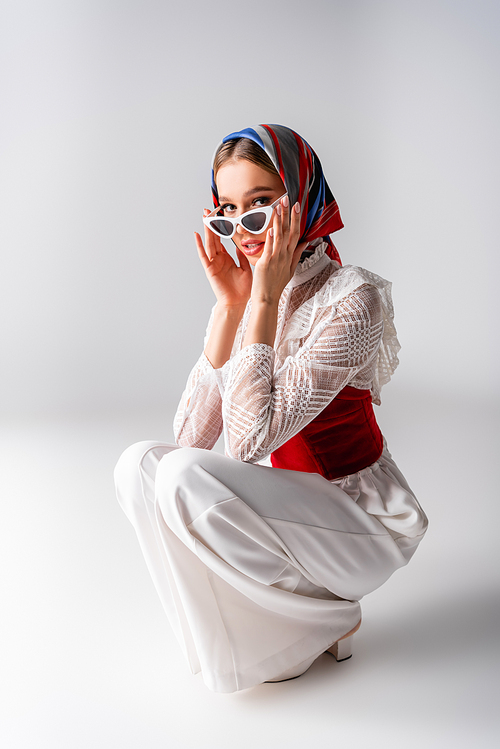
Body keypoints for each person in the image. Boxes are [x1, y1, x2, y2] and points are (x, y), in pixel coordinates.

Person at [114, 124, 428, 693]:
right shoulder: (254, 292)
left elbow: (247, 441)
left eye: (261, 204)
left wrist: (259, 299)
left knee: (183, 477)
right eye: (228, 211)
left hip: (360, 523)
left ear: (301, 196)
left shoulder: (350, 295)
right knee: (139, 465)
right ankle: (257, 633)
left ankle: (328, 618)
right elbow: (189, 437)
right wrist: (230, 307)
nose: (244, 229)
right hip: (290, 511)